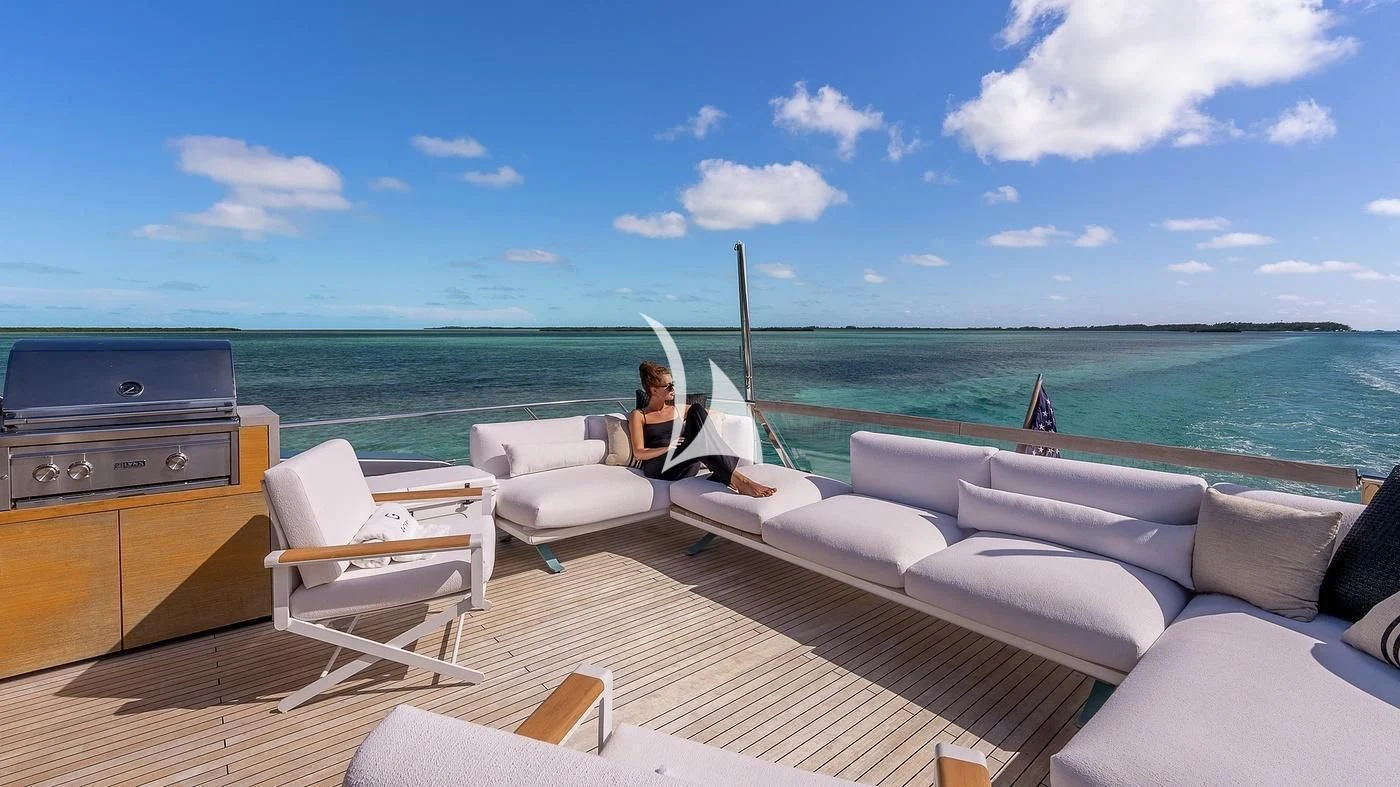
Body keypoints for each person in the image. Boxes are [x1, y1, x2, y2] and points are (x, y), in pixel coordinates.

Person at [629, 361, 776, 498]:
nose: (673, 388)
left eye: (673, 384)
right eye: (668, 386)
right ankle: (740, 480)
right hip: (660, 467)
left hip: (685, 462)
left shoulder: (678, 409)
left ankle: (729, 475)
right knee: (697, 443)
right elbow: (639, 452)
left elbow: (705, 419)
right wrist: (667, 448)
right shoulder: (640, 415)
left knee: (697, 409)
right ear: (654, 390)